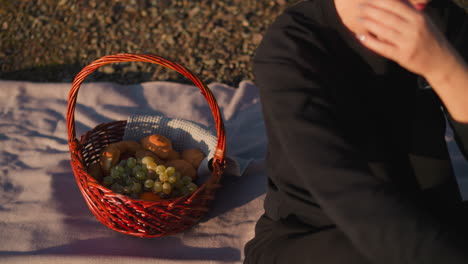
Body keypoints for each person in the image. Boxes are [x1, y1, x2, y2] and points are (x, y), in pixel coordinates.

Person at [244, 0, 468, 263]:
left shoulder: (441, 21)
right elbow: (346, 192)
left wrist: (445, 70)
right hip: (315, 231)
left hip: (429, 214)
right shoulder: (291, 49)